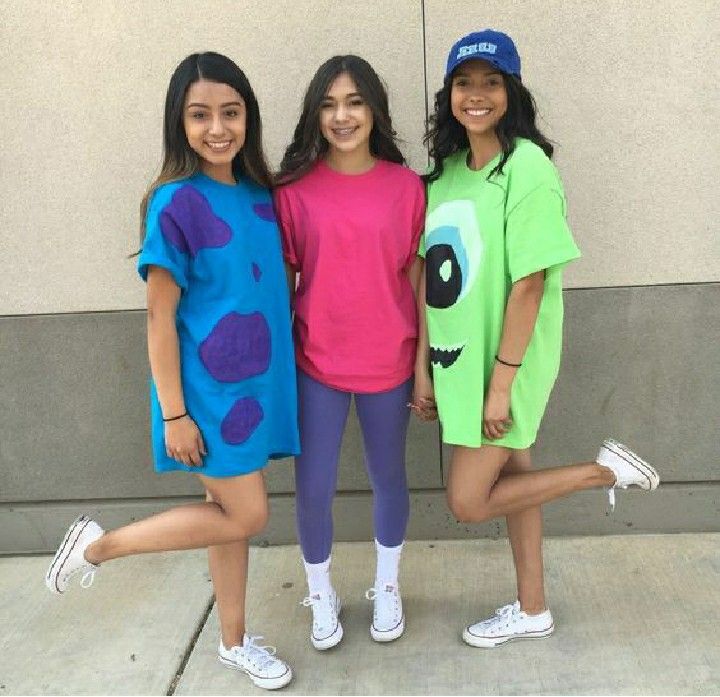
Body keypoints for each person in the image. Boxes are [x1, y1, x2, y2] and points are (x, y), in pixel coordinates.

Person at [45, 52, 298, 690]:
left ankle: (235, 641)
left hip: (257, 386)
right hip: (208, 394)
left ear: (250, 118)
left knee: (226, 516)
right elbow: (159, 319)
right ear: (177, 124)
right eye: (200, 115)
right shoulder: (174, 202)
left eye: (231, 112)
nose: (218, 128)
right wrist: (176, 413)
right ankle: (100, 547)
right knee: (248, 516)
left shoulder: (261, 194)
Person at [412, 29, 659, 648]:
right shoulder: (442, 177)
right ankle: (533, 608)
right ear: (448, 95)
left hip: (507, 366)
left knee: (469, 501)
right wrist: (424, 371)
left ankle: (602, 473)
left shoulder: (527, 168)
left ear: (512, 92)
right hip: (460, 365)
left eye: (491, 82)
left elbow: (530, 285)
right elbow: (428, 280)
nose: (476, 94)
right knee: (514, 486)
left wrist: (501, 386)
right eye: (464, 83)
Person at [274, 55, 425, 649]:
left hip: (390, 362)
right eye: (330, 103)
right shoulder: (291, 193)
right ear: (315, 114)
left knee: (391, 478)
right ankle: (320, 593)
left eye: (355, 102)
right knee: (313, 487)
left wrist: (423, 373)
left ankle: (387, 587)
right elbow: (282, 287)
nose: (342, 115)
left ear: (375, 111)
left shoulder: (406, 186)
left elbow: (418, 286)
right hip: (316, 366)